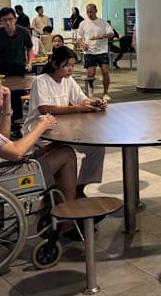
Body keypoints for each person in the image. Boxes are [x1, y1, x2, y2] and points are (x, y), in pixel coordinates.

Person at [0, 69, 81, 237]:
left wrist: (7, 108)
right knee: (67, 154)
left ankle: (53, 207)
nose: (4, 90)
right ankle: (68, 220)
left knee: (56, 147)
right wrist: (41, 126)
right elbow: (16, 153)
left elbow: (3, 141)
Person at [24, 46, 107, 199]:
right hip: (42, 133)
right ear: (55, 64)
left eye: (72, 65)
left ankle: (80, 187)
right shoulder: (41, 81)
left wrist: (95, 102)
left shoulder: (68, 81)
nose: (71, 69)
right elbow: (45, 109)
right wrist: (77, 108)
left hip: (63, 130)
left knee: (97, 148)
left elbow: (82, 99)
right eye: (67, 65)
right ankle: (62, 194)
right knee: (65, 149)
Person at [0, 7, 34, 134]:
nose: (8, 22)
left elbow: (29, 49)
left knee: (16, 97)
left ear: (15, 19)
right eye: (4, 20)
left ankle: (16, 126)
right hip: (1, 68)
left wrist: (29, 63)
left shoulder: (23, 32)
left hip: (18, 68)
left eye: (10, 19)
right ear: (0, 21)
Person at [77, 3, 115, 100]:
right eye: (88, 12)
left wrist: (103, 36)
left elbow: (111, 33)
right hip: (89, 52)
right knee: (91, 74)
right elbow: (79, 37)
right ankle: (91, 89)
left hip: (102, 51)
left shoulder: (103, 22)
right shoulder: (83, 23)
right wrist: (82, 44)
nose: (89, 14)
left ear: (96, 11)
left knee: (105, 71)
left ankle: (105, 93)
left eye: (91, 11)